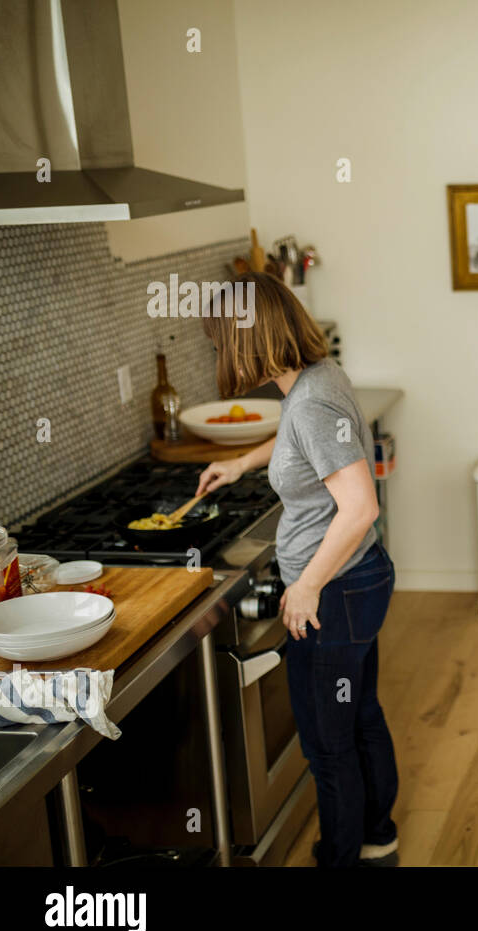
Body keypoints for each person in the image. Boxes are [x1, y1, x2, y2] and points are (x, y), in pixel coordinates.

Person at [196, 273, 399, 867]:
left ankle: (339, 857)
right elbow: (301, 439)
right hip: (358, 581)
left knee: (327, 744)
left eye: (219, 342)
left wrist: (306, 585)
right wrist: (242, 461)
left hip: (333, 592)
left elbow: (361, 506)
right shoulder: (316, 378)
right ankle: (377, 838)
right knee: (361, 716)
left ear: (247, 339)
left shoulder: (309, 399)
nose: (217, 354)